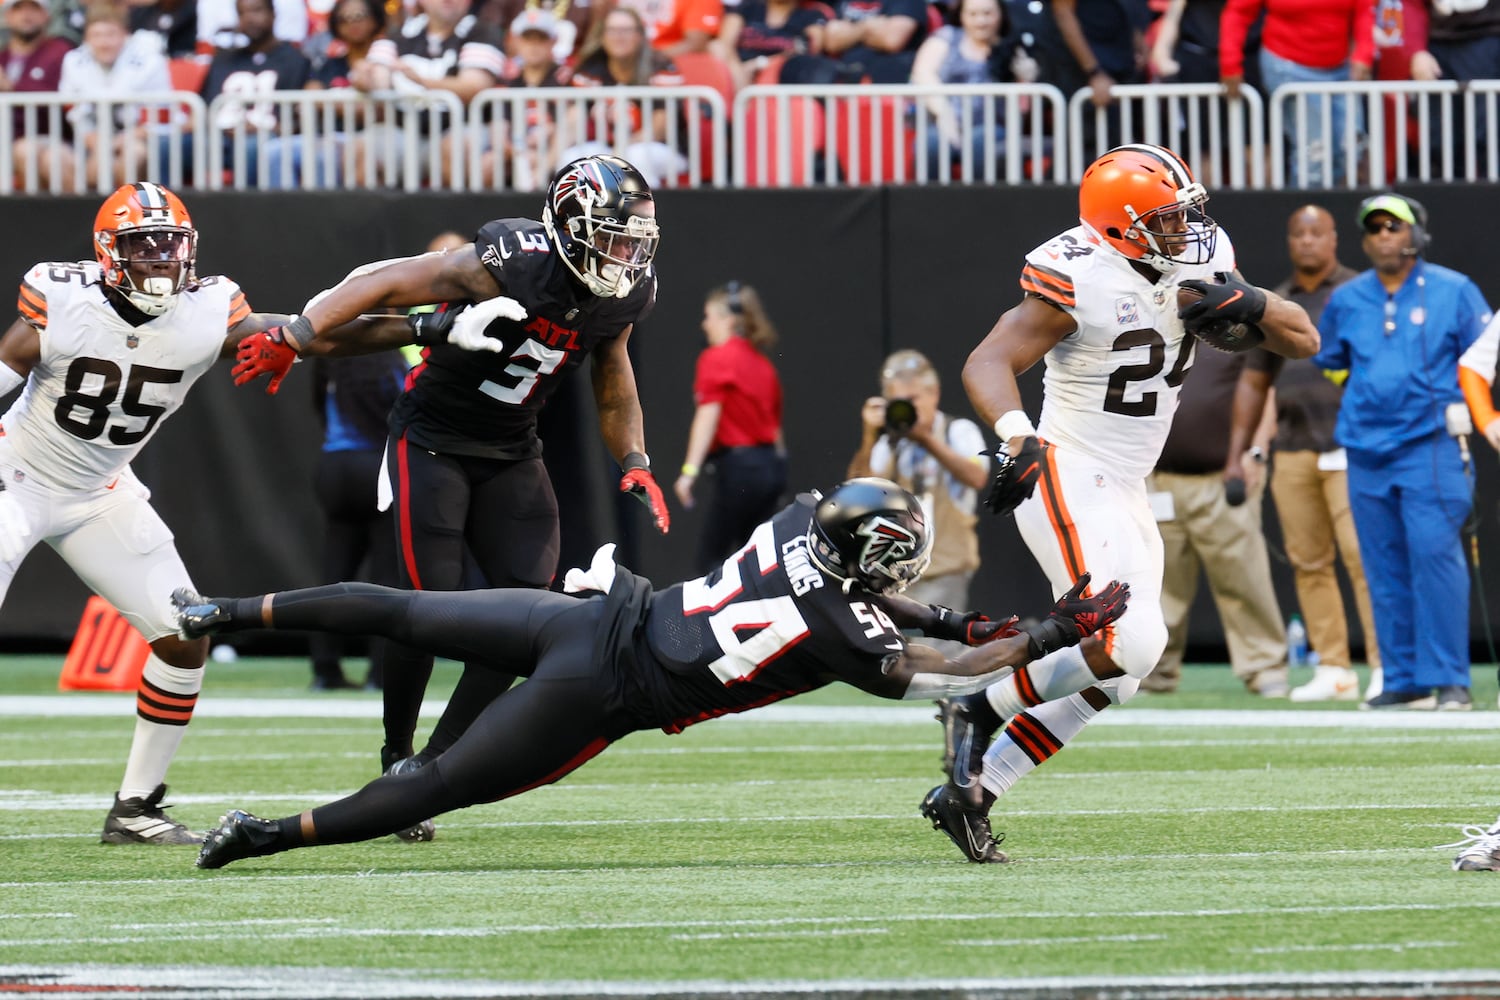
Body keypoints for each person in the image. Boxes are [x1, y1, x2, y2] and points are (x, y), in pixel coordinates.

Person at [174, 478, 1131, 870]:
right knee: (435, 782)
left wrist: (984, 621)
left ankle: (226, 610)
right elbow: (943, 659)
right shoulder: (846, 630)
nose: (901, 572)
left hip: (592, 617)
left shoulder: (805, 517)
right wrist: (1048, 632)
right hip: (600, 695)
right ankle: (262, 838)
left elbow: (891, 607)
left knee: (404, 608)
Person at [230, 154, 673, 840]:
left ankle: (431, 769)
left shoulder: (623, 293)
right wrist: (297, 335)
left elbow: (612, 372)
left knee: (523, 619)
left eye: (632, 241)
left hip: (514, 449)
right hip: (430, 442)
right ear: (567, 223)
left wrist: (636, 458)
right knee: (423, 607)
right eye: (612, 236)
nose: (623, 254)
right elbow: (383, 284)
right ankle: (396, 750)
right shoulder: (509, 258)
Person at [926, 143, 1318, 862]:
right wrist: (1016, 435)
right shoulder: (1079, 273)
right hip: (1068, 467)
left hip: (1126, 482)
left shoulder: (1202, 254)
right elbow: (987, 360)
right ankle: (975, 705)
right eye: (1168, 220)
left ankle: (974, 789)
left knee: (1125, 674)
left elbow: (1304, 338)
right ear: (1121, 229)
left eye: (1188, 213)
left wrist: (1253, 302)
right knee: (1125, 643)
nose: (1187, 231)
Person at [0, 182, 416, 844]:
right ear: (111, 254)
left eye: (172, 245)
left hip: (101, 490)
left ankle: (135, 808)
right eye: (145, 247)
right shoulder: (65, 298)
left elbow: (318, 338)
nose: (162, 260)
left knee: (184, 634)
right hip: (15, 478)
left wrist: (429, 327)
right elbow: (8, 363)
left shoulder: (207, 311)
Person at [1314, 193, 1489, 711]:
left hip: (1430, 445)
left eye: (1395, 226)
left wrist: (1473, 412)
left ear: (1418, 235)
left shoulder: (1455, 290)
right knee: (1382, 566)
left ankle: (1450, 679)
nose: (1384, 235)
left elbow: (1483, 358)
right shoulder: (1348, 298)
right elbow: (1330, 360)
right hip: (1365, 447)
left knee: (1435, 560)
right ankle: (1404, 677)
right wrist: (1370, 391)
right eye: (1374, 228)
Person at [1269, 205, 1382, 704]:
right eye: (1299, 233)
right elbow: (1255, 379)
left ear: (1334, 239)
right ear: (1290, 241)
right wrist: (1251, 450)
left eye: (1318, 233)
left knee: (1364, 557)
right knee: (1308, 561)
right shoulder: (1278, 300)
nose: (1308, 241)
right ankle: (1334, 667)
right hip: (1292, 447)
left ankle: (1386, 664)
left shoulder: (1360, 290)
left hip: (1350, 445)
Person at [1141, 343, 1288, 697]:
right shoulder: (1154, 324)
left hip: (1221, 475)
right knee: (1157, 582)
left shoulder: (1233, 329)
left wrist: (1255, 453)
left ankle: (1264, 667)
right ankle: (1152, 671)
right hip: (1157, 477)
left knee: (1242, 577)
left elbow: (1262, 387)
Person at [847, 349, 987, 655]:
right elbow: (857, 491)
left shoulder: (957, 431)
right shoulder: (889, 444)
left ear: (933, 393)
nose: (907, 409)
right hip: (893, 572)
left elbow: (977, 477)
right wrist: (870, 436)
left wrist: (928, 440)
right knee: (892, 658)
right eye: (900, 402)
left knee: (935, 654)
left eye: (914, 400)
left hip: (945, 566)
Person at [674, 281, 786, 575]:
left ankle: (700, 622)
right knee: (755, 563)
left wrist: (688, 473)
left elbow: (707, 417)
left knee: (710, 562)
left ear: (728, 319)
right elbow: (775, 433)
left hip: (740, 470)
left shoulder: (716, 358)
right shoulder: (763, 365)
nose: (704, 324)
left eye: (709, 316)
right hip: (770, 470)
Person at [1219, 0, 1373, 188]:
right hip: (1288, 66)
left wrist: (1364, 53)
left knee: (1351, 149)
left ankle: (1335, 212)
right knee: (1315, 153)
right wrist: (1230, 62)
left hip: (1340, 69)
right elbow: (1238, 12)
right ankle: (1307, 214)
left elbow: (1365, 10)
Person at [908, 0, 1038, 182]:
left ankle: (978, 205)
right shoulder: (946, 38)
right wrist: (944, 113)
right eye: (973, 14)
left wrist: (1026, 78)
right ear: (961, 15)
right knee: (930, 144)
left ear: (1000, 14)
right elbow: (922, 73)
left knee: (977, 142)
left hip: (994, 127)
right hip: (945, 123)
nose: (981, 21)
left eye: (987, 14)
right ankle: (929, 205)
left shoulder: (1011, 46)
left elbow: (1023, 106)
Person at [560, 7, 687, 189]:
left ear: (640, 35)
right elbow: (573, 117)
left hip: (662, 148)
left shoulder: (660, 66)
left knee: (636, 157)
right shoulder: (591, 69)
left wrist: (618, 154)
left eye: (626, 31)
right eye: (612, 30)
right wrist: (546, 161)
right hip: (608, 147)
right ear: (602, 36)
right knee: (573, 159)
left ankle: (645, 214)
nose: (619, 37)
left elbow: (660, 127)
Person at [55, 2, 172, 194]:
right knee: (55, 158)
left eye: (110, 34)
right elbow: (73, 113)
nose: (104, 43)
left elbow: (160, 116)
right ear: (86, 38)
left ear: (126, 34)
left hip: (142, 139)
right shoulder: (73, 60)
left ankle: (127, 217)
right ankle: (80, 216)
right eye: (96, 35)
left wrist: (114, 144)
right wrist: (98, 146)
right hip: (88, 142)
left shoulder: (150, 61)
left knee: (134, 153)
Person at [200, 0, 312, 187]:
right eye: (242, 13)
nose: (249, 18)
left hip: (266, 135)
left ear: (273, 14)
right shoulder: (223, 59)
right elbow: (206, 105)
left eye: (256, 10)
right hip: (219, 136)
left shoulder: (297, 60)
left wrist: (269, 128)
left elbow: (297, 118)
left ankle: (244, 212)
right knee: (165, 147)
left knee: (251, 146)